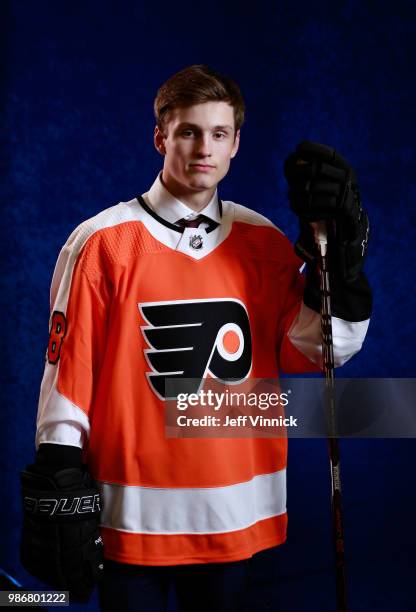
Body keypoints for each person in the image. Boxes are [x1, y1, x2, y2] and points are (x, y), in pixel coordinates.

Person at [20, 65, 372, 611]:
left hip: (234, 511)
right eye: (187, 132)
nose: (203, 148)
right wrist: (58, 461)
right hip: (130, 514)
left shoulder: (264, 241)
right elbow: (69, 369)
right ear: (160, 137)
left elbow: (317, 352)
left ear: (235, 143)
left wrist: (344, 270)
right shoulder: (101, 242)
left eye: (218, 134)